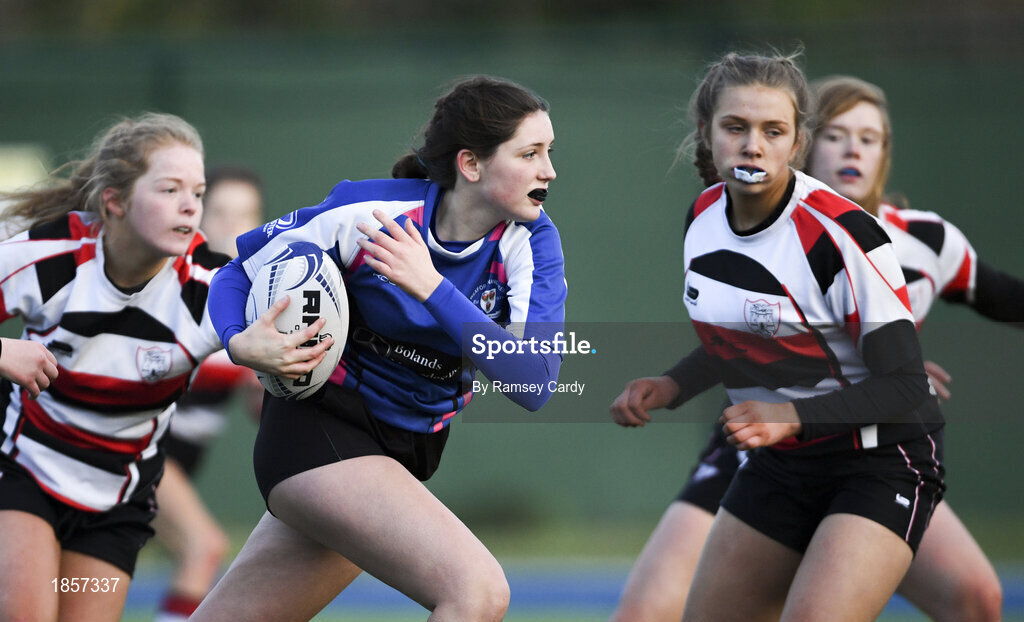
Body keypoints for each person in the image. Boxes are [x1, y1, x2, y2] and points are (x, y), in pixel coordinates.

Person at [608, 74, 1013, 622]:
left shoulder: (847, 234)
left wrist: (791, 414)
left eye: (772, 130)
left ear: (794, 141)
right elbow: (751, 339)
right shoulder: (705, 216)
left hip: (876, 460)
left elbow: (904, 384)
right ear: (706, 133)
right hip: (780, 456)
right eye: (736, 126)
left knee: (968, 598)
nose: (753, 144)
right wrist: (672, 385)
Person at [190, 75, 565, 622]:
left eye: (549, 153)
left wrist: (431, 288)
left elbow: (534, 384)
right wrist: (240, 343)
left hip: (406, 451)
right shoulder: (372, 212)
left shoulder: (531, 244)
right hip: (319, 428)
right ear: (471, 165)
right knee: (477, 592)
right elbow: (237, 272)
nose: (548, 170)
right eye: (530, 153)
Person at [0, 113, 228, 622]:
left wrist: (275, 357)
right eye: (169, 189)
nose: (190, 204)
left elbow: (278, 345)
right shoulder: (49, 257)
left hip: (117, 502)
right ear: (115, 202)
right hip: (23, 470)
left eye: (198, 190)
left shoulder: (214, 288)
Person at [151, 164, 266, 622]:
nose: (232, 225)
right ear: (195, 214)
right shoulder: (168, 285)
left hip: (176, 462)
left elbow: (261, 403)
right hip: (133, 449)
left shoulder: (263, 296)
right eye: (219, 210)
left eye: (247, 214)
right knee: (204, 546)